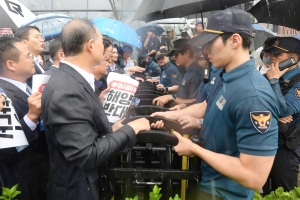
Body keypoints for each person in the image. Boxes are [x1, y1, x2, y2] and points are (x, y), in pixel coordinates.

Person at [41, 19, 163, 200]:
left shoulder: (74, 80)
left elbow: (83, 134)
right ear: (90, 45)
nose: (106, 48)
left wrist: (111, 130)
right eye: (101, 42)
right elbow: (86, 155)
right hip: (77, 190)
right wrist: (132, 129)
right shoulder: (67, 90)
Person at [167, 9, 279, 199]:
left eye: (210, 43)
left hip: (225, 193)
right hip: (209, 182)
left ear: (235, 40)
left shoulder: (253, 96)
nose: (205, 50)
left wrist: (196, 149)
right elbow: (206, 106)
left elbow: (254, 177)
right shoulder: (224, 74)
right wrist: (167, 115)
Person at [0, 36, 48, 200]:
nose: (33, 60)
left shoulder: (30, 86)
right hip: (22, 180)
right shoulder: (2, 95)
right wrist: (31, 117)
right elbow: (6, 149)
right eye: (28, 56)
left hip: (41, 174)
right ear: (11, 64)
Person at [262, 37, 300, 194]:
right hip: (266, 143)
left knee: (285, 192)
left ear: (294, 59)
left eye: (278, 55)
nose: (272, 57)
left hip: (287, 149)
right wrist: (273, 114)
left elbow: (286, 111)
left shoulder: (297, 82)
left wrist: (274, 82)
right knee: (264, 192)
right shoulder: (266, 78)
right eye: (272, 54)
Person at [153, 38, 204, 107]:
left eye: (176, 55)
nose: (174, 58)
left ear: (187, 53)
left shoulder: (196, 74)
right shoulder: (184, 69)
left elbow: (194, 102)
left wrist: (171, 97)